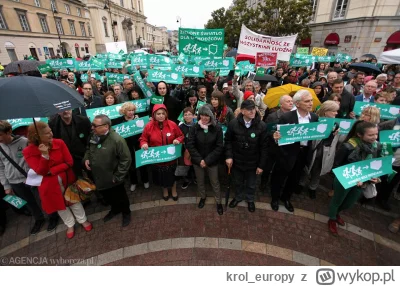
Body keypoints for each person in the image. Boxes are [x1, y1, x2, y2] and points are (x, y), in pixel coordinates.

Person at [23, 122, 92, 239]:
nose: (51, 134)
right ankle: (70, 224)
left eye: (50, 131)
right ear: (37, 136)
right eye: (47, 133)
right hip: (49, 186)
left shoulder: (59, 142)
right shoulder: (28, 152)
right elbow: (41, 171)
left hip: (67, 179)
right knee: (59, 206)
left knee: (74, 201)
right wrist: (44, 156)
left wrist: (52, 171)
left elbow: (69, 162)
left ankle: (83, 220)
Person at [328, 121, 380, 235]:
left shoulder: (376, 146)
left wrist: (375, 178)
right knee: (337, 200)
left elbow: (376, 165)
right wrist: (351, 177)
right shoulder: (348, 146)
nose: (374, 137)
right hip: (344, 180)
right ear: (360, 135)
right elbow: (337, 165)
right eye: (370, 135)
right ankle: (332, 219)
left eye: (376, 134)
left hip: (363, 182)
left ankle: (337, 213)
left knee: (349, 203)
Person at [270, 90, 319, 212]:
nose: (310, 103)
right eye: (307, 101)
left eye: (311, 100)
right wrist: (276, 137)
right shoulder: (287, 117)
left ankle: (286, 198)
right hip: (287, 153)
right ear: (297, 103)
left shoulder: (314, 117)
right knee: (279, 177)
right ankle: (274, 198)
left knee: (294, 178)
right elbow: (277, 135)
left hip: (303, 153)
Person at [84, 115, 132, 227]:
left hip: (113, 178)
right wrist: (86, 158)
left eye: (95, 126)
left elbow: (126, 159)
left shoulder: (117, 140)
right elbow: (89, 148)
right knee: (108, 196)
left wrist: (118, 176)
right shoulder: (94, 136)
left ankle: (126, 212)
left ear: (106, 126)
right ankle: (115, 210)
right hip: (99, 177)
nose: (92, 128)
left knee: (121, 196)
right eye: (92, 125)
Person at [0, 121, 46, 235]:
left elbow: (34, 159)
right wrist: (6, 185)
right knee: (28, 202)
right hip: (14, 181)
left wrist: (30, 173)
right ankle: (39, 219)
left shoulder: (24, 141)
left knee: (41, 198)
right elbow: (1, 167)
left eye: (0, 135)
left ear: (9, 131)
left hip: (30, 178)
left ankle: (52, 216)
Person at [225, 100, 268, 213]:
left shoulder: (262, 126)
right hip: (237, 160)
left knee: (251, 183)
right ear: (242, 111)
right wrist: (229, 156)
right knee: (238, 181)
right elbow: (228, 141)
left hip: (253, 162)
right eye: (249, 109)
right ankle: (238, 197)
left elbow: (264, 147)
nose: (252, 111)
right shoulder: (233, 124)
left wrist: (261, 165)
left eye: (253, 108)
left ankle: (250, 199)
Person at [140, 104, 184, 200]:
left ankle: (173, 190)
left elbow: (181, 136)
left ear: (166, 114)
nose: (161, 116)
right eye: (158, 114)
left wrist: (178, 140)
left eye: (163, 113)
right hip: (157, 158)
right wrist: (144, 144)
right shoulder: (148, 127)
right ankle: (164, 190)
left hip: (171, 158)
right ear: (154, 115)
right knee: (161, 176)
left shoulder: (172, 124)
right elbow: (143, 139)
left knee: (172, 175)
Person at [186, 105, 224, 214]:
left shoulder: (217, 128)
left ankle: (218, 201)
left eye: (207, 115)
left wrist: (207, 160)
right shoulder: (194, 127)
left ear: (211, 116)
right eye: (202, 115)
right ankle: (203, 197)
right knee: (200, 181)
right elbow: (190, 145)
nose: (204, 117)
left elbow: (219, 147)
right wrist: (200, 160)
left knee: (215, 182)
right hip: (198, 161)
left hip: (212, 161)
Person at [299, 101, 340, 199]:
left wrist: (336, 134)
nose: (336, 113)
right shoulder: (315, 120)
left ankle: (313, 188)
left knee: (318, 171)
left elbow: (340, 140)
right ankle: (300, 184)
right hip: (313, 150)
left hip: (325, 152)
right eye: (333, 111)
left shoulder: (336, 124)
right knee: (306, 168)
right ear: (325, 112)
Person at [112, 102, 150, 192]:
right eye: (129, 110)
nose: (131, 112)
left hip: (138, 143)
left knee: (142, 162)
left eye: (133, 110)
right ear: (124, 111)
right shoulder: (119, 120)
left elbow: (145, 130)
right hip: (126, 145)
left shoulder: (138, 118)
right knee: (130, 163)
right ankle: (134, 182)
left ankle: (145, 180)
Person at [260, 95, 293, 191]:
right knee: (267, 166)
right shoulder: (272, 116)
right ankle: (263, 182)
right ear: (281, 104)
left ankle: (274, 183)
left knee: (279, 168)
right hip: (272, 146)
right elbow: (266, 130)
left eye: (291, 101)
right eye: (288, 101)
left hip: (285, 147)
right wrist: (273, 135)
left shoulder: (294, 116)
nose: (291, 103)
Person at [179, 107, 196, 189]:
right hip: (185, 149)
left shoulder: (198, 125)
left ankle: (195, 178)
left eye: (190, 114)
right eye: (186, 115)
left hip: (196, 149)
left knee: (195, 165)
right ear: (183, 116)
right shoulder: (181, 126)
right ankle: (186, 179)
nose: (188, 116)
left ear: (193, 116)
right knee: (186, 166)